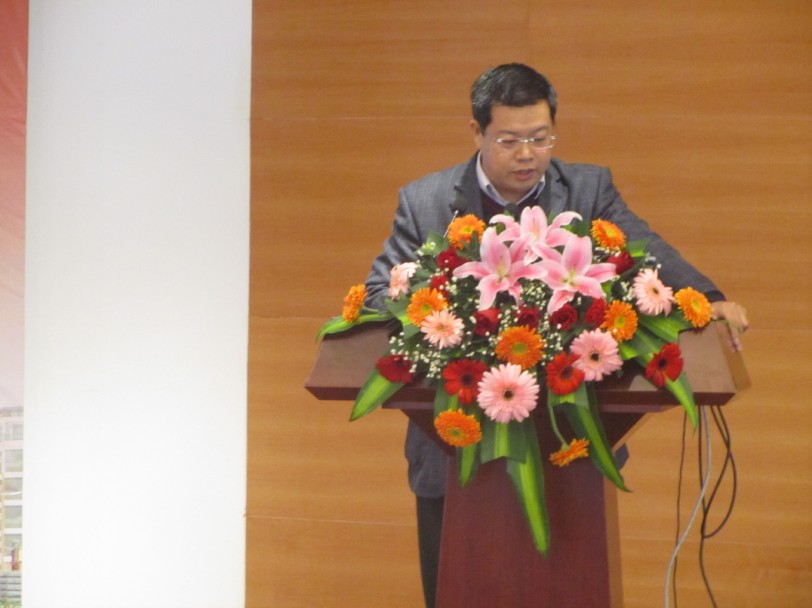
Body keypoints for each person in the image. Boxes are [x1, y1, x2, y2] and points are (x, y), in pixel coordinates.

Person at [363, 63, 748, 608]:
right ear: (477, 133)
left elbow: (647, 253)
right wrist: (455, 312)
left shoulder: (587, 191)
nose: (528, 154)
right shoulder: (425, 201)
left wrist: (707, 298)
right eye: (510, 140)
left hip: (568, 445)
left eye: (541, 138)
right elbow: (380, 293)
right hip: (453, 446)